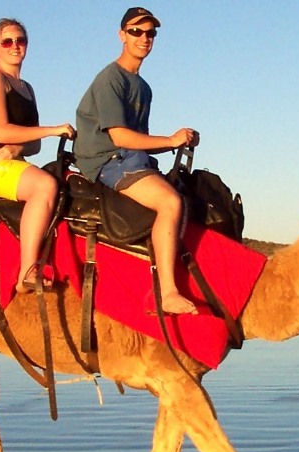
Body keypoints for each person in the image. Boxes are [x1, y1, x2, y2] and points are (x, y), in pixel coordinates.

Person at [74, 7, 200, 315]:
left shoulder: (142, 87)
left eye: (150, 33)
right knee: (170, 202)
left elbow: (138, 141)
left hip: (130, 157)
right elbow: (120, 137)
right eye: (136, 31)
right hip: (107, 160)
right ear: (122, 35)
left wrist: (179, 143)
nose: (144, 38)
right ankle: (167, 293)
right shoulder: (110, 80)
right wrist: (170, 140)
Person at [0, 18, 75, 294]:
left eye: (21, 40)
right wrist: (52, 130)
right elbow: (1, 131)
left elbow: (32, 145)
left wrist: (17, 148)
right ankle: (27, 272)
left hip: (12, 159)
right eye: (7, 41)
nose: (15, 46)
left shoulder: (27, 88)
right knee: (44, 186)